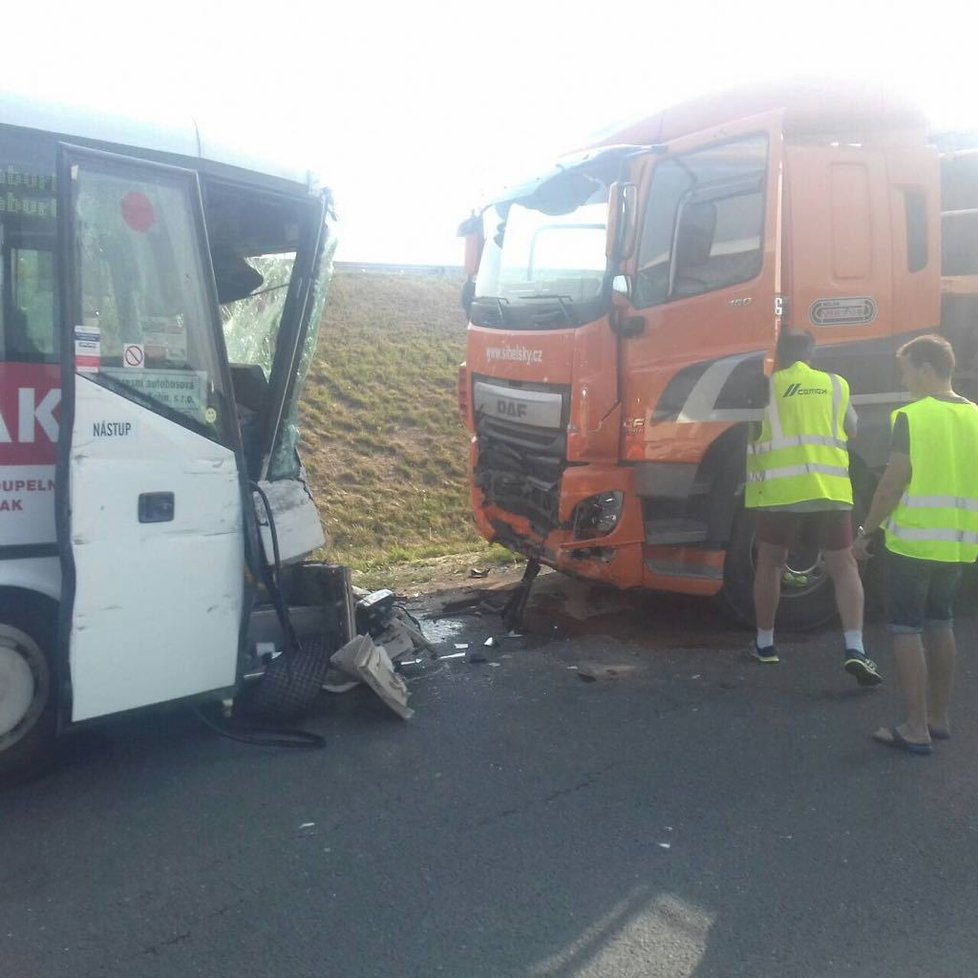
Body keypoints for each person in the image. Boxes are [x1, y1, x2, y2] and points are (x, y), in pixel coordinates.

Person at [854, 334, 978, 754]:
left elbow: (892, 483)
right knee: (942, 624)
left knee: (906, 630)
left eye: (906, 370)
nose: (904, 380)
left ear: (926, 369)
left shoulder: (912, 415)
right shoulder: (975, 415)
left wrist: (865, 532)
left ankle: (913, 726)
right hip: (959, 544)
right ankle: (939, 718)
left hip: (914, 542)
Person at [745, 329, 881, 685]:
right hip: (829, 490)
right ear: (812, 353)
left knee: (770, 564)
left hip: (777, 492)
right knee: (844, 565)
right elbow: (853, 431)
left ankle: (765, 645)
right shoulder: (836, 384)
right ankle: (855, 648)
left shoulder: (765, 387)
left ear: (779, 354)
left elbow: (751, 432)